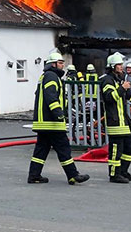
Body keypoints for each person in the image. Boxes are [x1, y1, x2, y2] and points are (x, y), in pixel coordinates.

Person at [27, 52, 90, 185]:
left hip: (44, 123)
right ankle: (73, 175)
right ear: (53, 64)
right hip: (52, 122)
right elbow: (51, 96)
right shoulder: (51, 76)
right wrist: (59, 113)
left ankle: (34, 176)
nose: (63, 65)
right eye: (60, 63)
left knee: (41, 150)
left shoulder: (47, 76)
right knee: (63, 148)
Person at [100, 52, 131, 184]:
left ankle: (123, 171)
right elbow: (109, 98)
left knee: (130, 145)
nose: (121, 67)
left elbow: (129, 95)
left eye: (121, 64)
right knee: (116, 149)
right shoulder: (106, 80)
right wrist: (122, 88)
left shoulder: (118, 80)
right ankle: (114, 174)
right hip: (114, 120)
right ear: (112, 66)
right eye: (119, 65)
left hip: (124, 120)